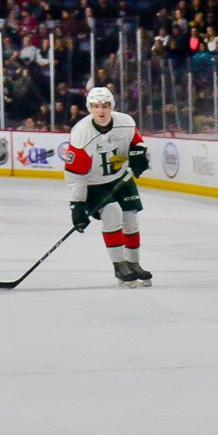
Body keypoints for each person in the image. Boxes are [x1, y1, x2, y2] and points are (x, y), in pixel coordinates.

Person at [64, 86, 153, 287]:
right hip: (92, 183)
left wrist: (140, 157)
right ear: (90, 108)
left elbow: (138, 144)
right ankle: (119, 266)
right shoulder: (82, 134)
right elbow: (76, 174)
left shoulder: (126, 122)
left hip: (120, 176)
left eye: (105, 105)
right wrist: (77, 205)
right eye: (96, 106)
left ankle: (134, 263)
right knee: (112, 212)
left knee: (130, 218)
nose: (101, 110)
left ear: (111, 106)